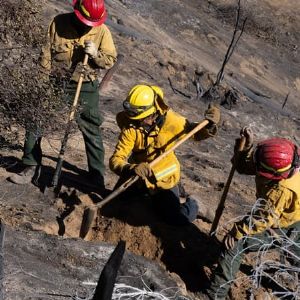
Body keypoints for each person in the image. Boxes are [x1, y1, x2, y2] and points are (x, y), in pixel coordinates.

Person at [9, 0, 117, 187]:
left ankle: (96, 175)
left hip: (85, 85)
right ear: (76, 12)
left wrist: (95, 55)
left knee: (91, 127)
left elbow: (109, 60)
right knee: (36, 118)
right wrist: (42, 85)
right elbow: (45, 55)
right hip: (55, 83)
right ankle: (30, 164)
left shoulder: (102, 31)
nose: (87, 26)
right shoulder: (58, 23)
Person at [204, 128, 300, 299]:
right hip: (290, 215)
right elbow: (242, 166)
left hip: (287, 226)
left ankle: (215, 295)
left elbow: (263, 218)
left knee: (235, 243)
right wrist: (246, 146)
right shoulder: (284, 160)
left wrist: (237, 231)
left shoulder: (281, 189)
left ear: (275, 175)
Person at [109, 84, 221, 225]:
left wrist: (209, 125)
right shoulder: (130, 126)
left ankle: (193, 204)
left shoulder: (171, 121)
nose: (136, 122)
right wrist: (130, 169)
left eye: (141, 118)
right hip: (138, 174)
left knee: (174, 221)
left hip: (164, 177)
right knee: (113, 204)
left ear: (153, 112)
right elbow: (116, 159)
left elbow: (196, 132)